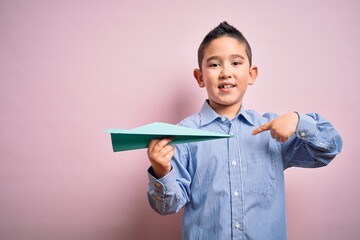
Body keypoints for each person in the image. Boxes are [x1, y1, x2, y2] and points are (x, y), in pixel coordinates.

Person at [146, 21, 343, 240]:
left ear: (252, 74)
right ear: (200, 77)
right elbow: (167, 207)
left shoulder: (274, 130)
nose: (225, 72)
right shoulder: (183, 134)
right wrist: (161, 171)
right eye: (214, 65)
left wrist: (299, 121)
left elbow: (330, 149)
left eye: (236, 63)